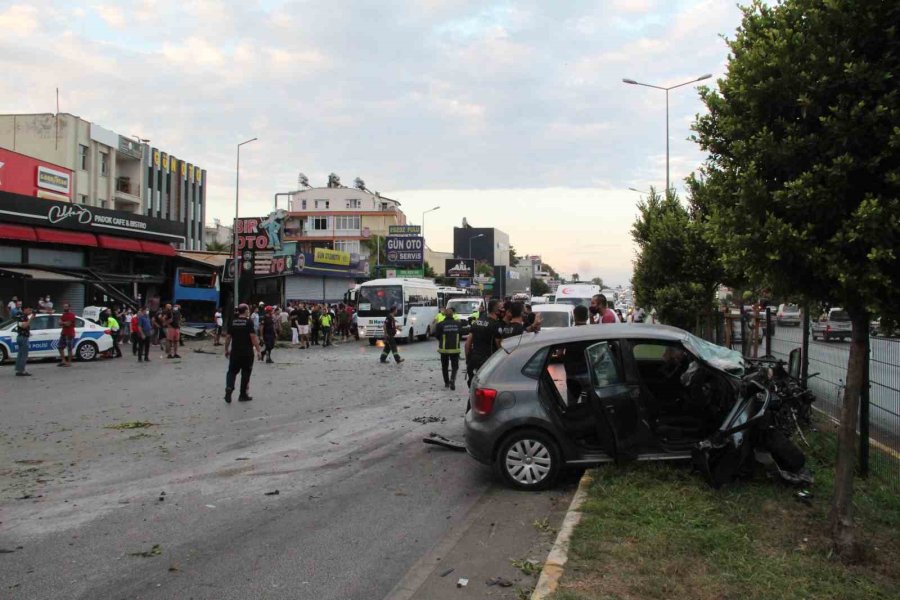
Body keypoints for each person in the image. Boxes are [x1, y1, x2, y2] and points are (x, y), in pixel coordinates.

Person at [224, 303, 262, 403]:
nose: (248, 311)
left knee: (231, 372)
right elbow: (253, 337)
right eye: (248, 309)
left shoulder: (233, 322)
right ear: (245, 311)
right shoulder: (248, 322)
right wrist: (258, 350)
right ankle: (243, 394)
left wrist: (226, 349)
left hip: (235, 352)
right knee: (246, 373)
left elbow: (228, 337)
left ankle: (229, 387)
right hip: (247, 353)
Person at [465, 299, 503, 388]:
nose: (503, 310)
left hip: (474, 360)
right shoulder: (495, 325)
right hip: (488, 362)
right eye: (501, 308)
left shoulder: (477, 322)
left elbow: (467, 344)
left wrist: (468, 360)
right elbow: (500, 347)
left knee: (473, 388)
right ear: (497, 311)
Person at [435, 306, 462, 390]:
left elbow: (437, 336)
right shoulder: (458, 324)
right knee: (455, 366)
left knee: (444, 366)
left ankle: (446, 382)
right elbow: (461, 334)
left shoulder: (440, 324)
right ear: (453, 314)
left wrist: (442, 340)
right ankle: (452, 379)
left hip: (444, 349)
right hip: (455, 348)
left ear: (445, 315)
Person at [14, 305, 33, 376]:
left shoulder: (21, 316)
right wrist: (31, 319)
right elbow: (24, 326)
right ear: (24, 309)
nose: (30, 311)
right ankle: (22, 371)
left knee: (20, 354)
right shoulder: (22, 316)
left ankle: (19, 369)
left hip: (21, 336)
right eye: (29, 310)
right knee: (24, 355)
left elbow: (22, 327)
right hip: (23, 338)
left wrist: (28, 332)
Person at [58, 303, 77, 367]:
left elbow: (68, 324)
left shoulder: (72, 315)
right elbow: (59, 323)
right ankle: (63, 360)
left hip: (70, 334)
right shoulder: (63, 315)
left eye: (66, 306)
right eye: (64, 306)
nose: (65, 308)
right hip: (63, 333)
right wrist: (64, 323)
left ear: (69, 307)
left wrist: (62, 323)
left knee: (69, 349)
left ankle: (69, 363)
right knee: (60, 347)